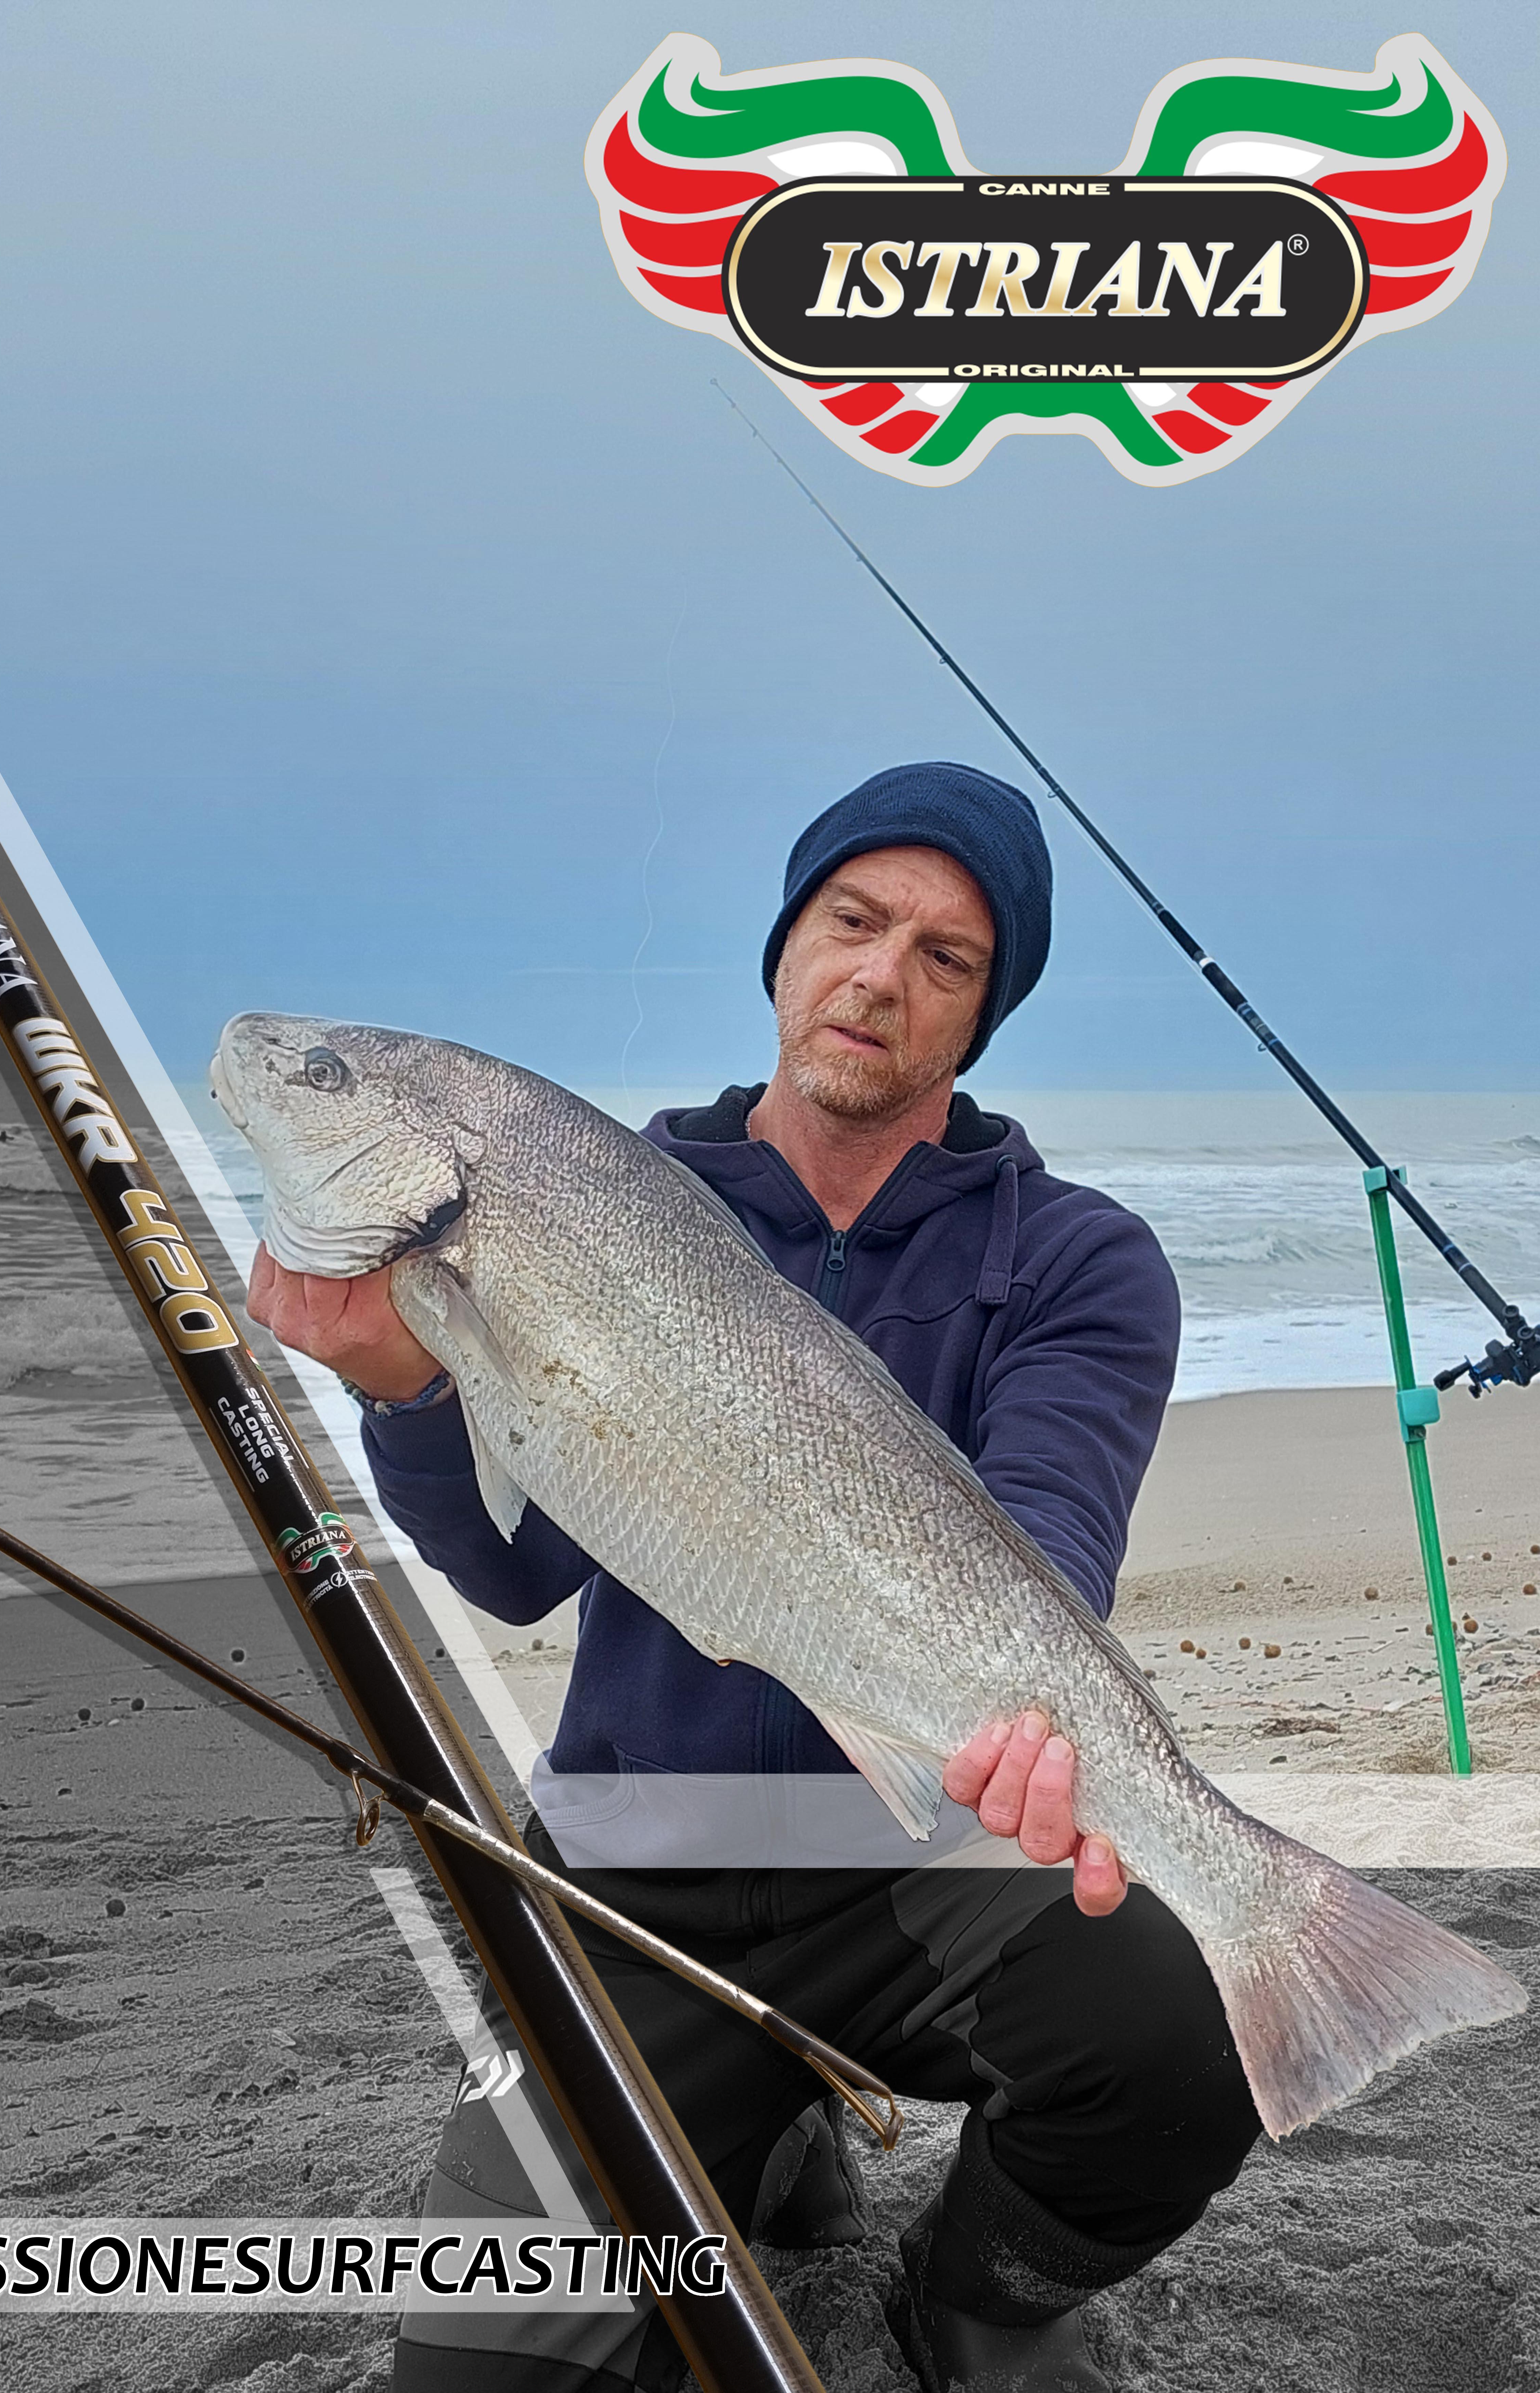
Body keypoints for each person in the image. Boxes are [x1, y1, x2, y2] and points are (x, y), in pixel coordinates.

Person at [248, 762, 1263, 2393]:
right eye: (852, 920)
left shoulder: (1074, 1257)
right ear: (786, 944)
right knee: (476, 2378)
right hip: (638, 1873)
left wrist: (1026, 1719)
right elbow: (507, 1571)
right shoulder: (602, 1201)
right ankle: (769, 2129)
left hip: (926, 1862)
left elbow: (1049, 1528)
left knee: (1174, 2029)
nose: (880, 973)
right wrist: (410, 1389)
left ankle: (976, 2298)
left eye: (944, 956)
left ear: (980, 1013)